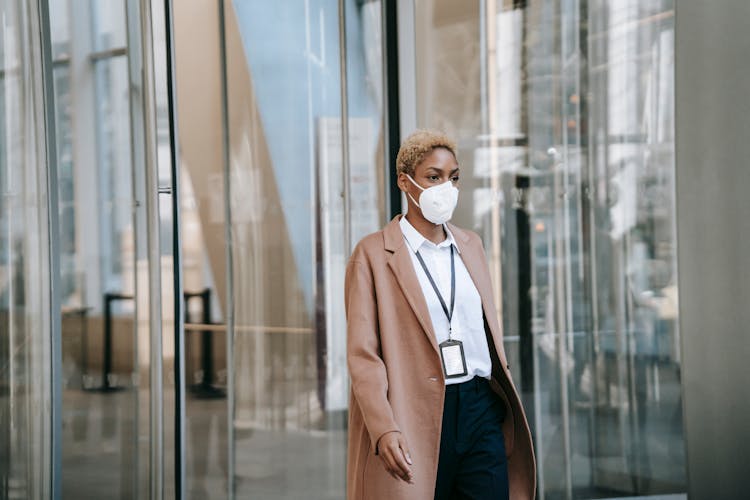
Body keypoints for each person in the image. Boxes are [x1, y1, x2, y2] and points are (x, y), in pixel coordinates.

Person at [345, 129, 536, 500]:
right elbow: (363, 356)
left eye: (453, 177)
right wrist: (384, 427)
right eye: (434, 177)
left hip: (480, 405)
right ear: (405, 181)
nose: (446, 187)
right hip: (414, 410)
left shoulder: (470, 245)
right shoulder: (372, 254)